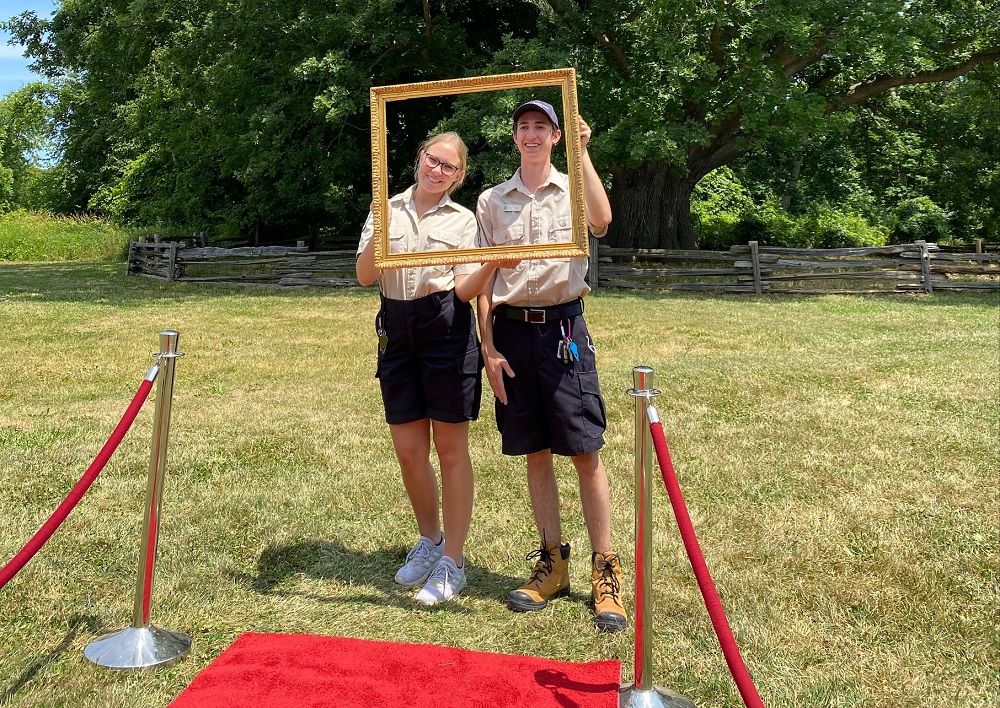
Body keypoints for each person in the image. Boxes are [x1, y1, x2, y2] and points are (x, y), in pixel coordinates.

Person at [475, 100, 626, 632]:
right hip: (514, 332)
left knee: (584, 450)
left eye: (542, 126)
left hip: (565, 329)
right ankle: (551, 565)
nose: (532, 134)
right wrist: (488, 347)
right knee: (534, 450)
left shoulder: (572, 187)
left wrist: (585, 153)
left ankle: (605, 573)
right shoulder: (493, 199)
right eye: (524, 127)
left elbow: (603, 222)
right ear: (514, 137)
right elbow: (485, 282)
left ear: (557, 137)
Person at [357, 131, 507, 606]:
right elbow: (365, 276)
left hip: (445, 329)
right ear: (418, 157)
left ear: (459, 176)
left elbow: (464, 290)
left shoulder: (464, 222)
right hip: (397, 331)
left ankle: (454, 563)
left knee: (450, 447)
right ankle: (431, 540)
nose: (436, 170)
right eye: (431, 159)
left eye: (448, 166)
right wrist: (379, 237)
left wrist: (495, 263)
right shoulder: (386, 210)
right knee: (407, 448)